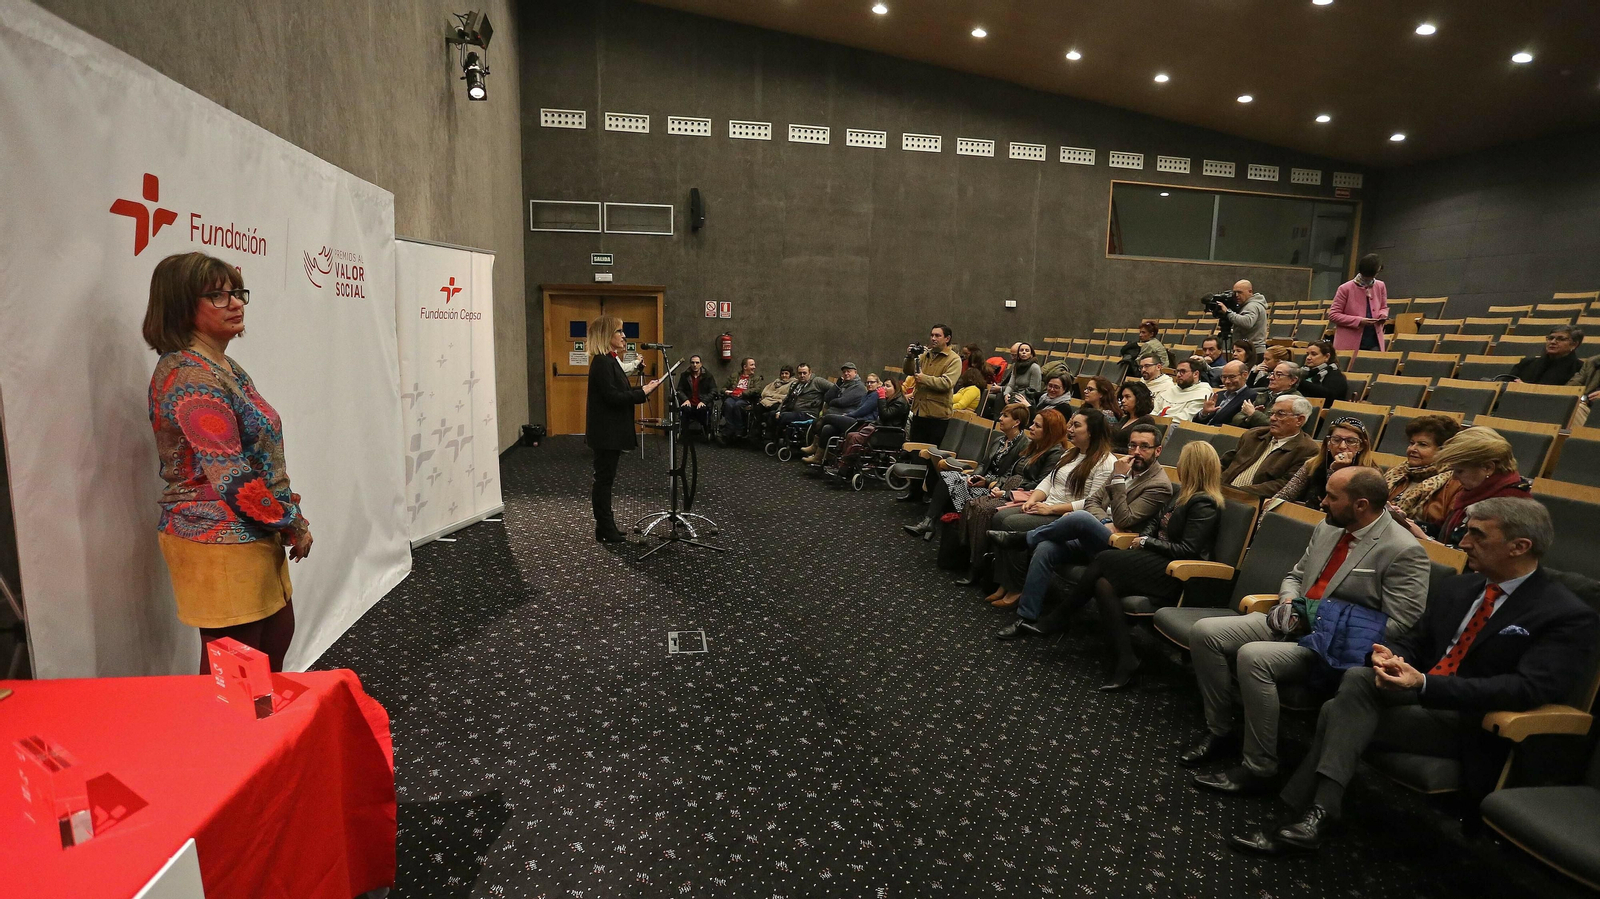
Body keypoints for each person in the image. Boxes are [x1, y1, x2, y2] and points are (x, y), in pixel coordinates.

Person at [1233, 498, 1598, 855]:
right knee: (1359, 678)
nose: (1464, 543)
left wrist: (1424, 683)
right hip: (1419, 696)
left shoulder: (1564, 613)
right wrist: (1389, 656)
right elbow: (1415, 641)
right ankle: (1319, 814)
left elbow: (1528, 688)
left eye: (1478, 535)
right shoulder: (1461, 587)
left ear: (1520, 547)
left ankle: (1306, 811)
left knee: (1334, 711)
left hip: (1471, 721)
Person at [1184, 467, 1430, 796]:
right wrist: (1289, 603)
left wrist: (1318, 617)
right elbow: (1296, 575)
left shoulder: (1403, 549)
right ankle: (1221, 730)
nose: (1322, 501)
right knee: (1205, 633)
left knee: (1253, 657)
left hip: (1332, 646)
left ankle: (1260, 766)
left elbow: (1401, 622)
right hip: (1294, 619)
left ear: (1360, 505)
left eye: (1332, 497)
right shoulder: (1329, 527)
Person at [145, 252, 314, 673]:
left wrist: (285, 516)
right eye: (218, 296)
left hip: (253, 529)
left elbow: (261, 458)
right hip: (215, 536)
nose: (236, 303)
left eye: (237, 293)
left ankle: (258, 721)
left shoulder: (223, 366)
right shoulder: (190, 375)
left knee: (268, 653)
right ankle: (227, 723)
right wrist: (292, 522)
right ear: (182, 305)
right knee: (236, 676)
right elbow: (232, 476)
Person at [1064, 442, 1226, 690]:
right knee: (1103, 584)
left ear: (1192, 466)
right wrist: (1146, 538)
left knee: (1104, 560)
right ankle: (1127, 659)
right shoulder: (1181, 493)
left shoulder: (1205, 503)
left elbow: (1188, 550)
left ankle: (1060, 617)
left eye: (1182, 460)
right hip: (1158, 560)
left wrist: (1146, 542)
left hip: (1180, 574)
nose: (1178, 464)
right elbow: (1155, 523)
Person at [993, 422, 1174, 639]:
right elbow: (1092, 501)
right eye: (1132, 445)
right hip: (1098, 533)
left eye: (1144, 447)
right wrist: (1103, 520)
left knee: (1079, 517)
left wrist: (1118, 480)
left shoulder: (1158, 484)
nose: (1136, 452)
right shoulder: (1123, 468)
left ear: (1157, 450)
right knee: (1046, 548)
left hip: (1122, 548)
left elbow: (1125, 519)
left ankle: (1023, 539)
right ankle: (1027, 617)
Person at [984, 410, 1117, 608]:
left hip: (1067, 517)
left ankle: (1017, 587)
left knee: (1011, 523)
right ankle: (1005, 582)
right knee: (999, 517)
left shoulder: (1106, 462)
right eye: (1071, 424)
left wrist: (1051, 509)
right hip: (1046, 506)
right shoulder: (1070, 453)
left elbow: (1093, 503)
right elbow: (1048, 481)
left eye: (1076, 426)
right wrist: (1033, 499)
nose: (1070, 430)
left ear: (1092, 431)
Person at [954, 409, 1069, 583]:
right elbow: (1010, 472)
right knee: (973, 504)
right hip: (1009, 489)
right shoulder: (1033, 446)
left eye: (1037, 426)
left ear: (1049, 431)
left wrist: (1006, 492)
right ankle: (971, 559)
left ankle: (978, 567)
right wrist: (996, 485)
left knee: (984, 510)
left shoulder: (1054, 453)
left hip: (1025, 495)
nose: (1031, 427)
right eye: (1033, 423)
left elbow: (1040, 483)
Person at [585, 315, 665, 542]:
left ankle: (606, 525)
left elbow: (619, 391)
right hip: (606, 432)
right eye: (619, 332)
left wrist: (643, 389)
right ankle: (604, 527)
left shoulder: (611, 361)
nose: (624, 336)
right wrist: (643, 392)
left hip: (611, 431)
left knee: (606, 479)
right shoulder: (602, 362)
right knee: (604, 480)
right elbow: (613, 397)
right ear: (606, 335)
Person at [903, 403, 1031, 539]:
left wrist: (987, 482)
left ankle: (933, 525)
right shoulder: (999, 440)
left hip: (996, 488)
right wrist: (974, 476)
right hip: (982, 481)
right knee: (947, 477)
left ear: (1017, 422)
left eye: (1005, 416)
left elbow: (1012, 475)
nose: (1000, 419)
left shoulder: (1024, 445)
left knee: (951, 486)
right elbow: (983, 463)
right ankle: (930, 522)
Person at [1405, 427, 1531, 547]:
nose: (1454, 477)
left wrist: (1426, 539)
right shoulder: (1475, 491)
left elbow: (1476, 556)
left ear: (1488, 468)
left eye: (1460, 471)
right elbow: (1444, 532)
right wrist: (1409, 523)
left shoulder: (1510, 504)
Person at [902, 325, 964, 499]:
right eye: (932, 335)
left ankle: (929, 494)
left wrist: (924, 379)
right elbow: (908, 371)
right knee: (916, 455)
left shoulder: (953, 359)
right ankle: (914, 492)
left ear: (947, 339)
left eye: (938, 335)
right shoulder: (925, 355)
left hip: (938, 415)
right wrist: (910, 357)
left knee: (932, 457)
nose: (933, 338)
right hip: (919, 411)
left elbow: (947, 383)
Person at [1219, 395, 1320, 496]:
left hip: (1252, 500)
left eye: (1280, 414)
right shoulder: (1253, 435)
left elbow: (1285, 485)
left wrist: (1236, 491)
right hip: (1220, 491)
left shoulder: (1307, 450)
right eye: (1271, 413)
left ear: (1299, 420)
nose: (1272, 418)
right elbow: (1225, 463)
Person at [1383, 415, 1463, 535]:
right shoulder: (1396, 472)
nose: (1412, 449)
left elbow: (1446, 531)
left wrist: (1409, 523)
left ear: (1443, 451)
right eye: (1411, 443)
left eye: (1422, 445)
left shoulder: (1455, 483)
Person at [1270, 417, 1374, 510]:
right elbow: (1283, 497)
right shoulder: (1311, 465)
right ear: (1328, 444)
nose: (1342, 446)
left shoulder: (1370, 475)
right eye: (1336, 440)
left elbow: (1342, 509)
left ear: (1361, 446)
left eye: (1351, 441)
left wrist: (1338, 471)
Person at [803, 368, 877, 463]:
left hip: (862, 423)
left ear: (878, 383)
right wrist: (837, 385)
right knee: (827, 428)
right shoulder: (867, 394)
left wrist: (847, 415)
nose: (869, 384)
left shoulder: (874, 395)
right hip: (855, 419)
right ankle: (818, 457)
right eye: (868, 382)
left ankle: (815, 445)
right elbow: (827, 398)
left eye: (872, 382)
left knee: (828, 417)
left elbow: (861, 410)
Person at [1328, 254, 1390, 355]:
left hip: (1374, 340)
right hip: (1350, 342)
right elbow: (1333, 315)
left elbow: (1383, 307)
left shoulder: (1381, 285)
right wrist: (1359, 321)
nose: (1372, 277)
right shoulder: (1345, 288)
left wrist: (1382, 315)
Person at [1237, 361, 1304, 428]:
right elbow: (1236, 419)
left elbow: (1281, 426)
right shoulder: (1262, 394)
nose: (1270, 377)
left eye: (1278, 375)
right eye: (1272, 373)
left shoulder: (1295, 401)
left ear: (1293, 380)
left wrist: (1254, 414)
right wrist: (1250, 418)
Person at [1510, 326, 1584, 385]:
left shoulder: (1580, 369)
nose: (1553, 342)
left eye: (1561, 339)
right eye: (1550, 338)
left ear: (1574, 345)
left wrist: (1525, 388)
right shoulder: (1526, 364)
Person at [775, 362, 830, 441]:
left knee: (783, 417)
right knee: (772, 414)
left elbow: (834, 389)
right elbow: (786, 399)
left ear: (810, 373)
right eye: (800, 373)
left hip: (808, 413)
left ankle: (780, 440)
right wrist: (778, 410)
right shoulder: (796, 384)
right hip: (793, 411)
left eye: (804, 373)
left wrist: (827, 401)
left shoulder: (817, 381)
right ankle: (772, 441)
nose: (802, 375)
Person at [1193, 361, 1257, 427]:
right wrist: (1204, 413)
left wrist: (1213, 428)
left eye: (1232, 377)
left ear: (1244, 375)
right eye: (1224, 377)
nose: (1227, 381)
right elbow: (1196, 422)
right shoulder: (1218, 395)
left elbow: (1239, 425)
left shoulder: (1251, 397)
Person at [1220, 280, 1269, 356]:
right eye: (1235, 292)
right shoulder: (1249, 305)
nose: (1236, 295)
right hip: (1250, 350)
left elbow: (1247, 322)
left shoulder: (1251, 306)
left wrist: (1227, 313)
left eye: (1240, 292)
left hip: (1252, 352)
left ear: (1250, 291)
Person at [1156, 358, 1212, 422]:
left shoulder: (1202, 392)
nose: (1178, 375)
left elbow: (1187, 417)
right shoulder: (1171, 389)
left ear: (1195, 374)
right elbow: (1155, 410)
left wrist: (1159, 419)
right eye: (1177, 371)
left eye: (1183, 371)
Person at [1297, 342, 1349, 407]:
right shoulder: (1304, 372)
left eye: (1313, 354)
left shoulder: (1335, 375)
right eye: (1307, 354)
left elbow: (1329, 397)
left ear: (1327, 356)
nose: (1308, 358)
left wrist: (1299, 382)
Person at [719, 357, 761, 439]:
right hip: (733, 397)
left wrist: (743, 393)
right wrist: (726, 391)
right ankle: (730, 428)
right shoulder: (734, 376)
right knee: (728, 403)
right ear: (745, 367)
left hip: (746, 399)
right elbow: (723, 388)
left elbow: (757, 389)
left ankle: (739, 429)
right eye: (752, 365)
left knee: (737, 405)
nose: (754, 367)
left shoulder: (756, 378)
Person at [676, 354, 718, 434]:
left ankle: (706, 432)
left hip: (702, 403)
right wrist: (685, 400)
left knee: (704, 412)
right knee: (685, 410)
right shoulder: (684, 376)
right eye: (692, 363)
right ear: (690, 364)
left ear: (701, 364)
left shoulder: (708, 376)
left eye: (697, 362)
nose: (695, 365)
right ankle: (684, 434)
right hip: (689, 403)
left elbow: (713, 391)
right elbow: (679, 390)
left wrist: (704, 401)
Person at [1113, 381, 1157, 453]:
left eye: (1127, 397)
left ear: (1138, 399)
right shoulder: (1125, 419)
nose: (1123, 400)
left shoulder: (1146, 420)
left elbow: (1140, 448)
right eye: (1122, 397)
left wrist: (1111, 450)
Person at [754, 365, 796, 442]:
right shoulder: (775, 382)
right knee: (758, 408)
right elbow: (764, 393)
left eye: (786, 373)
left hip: (780, 403)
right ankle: (756, 433)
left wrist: (773, 396)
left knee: (773, 411)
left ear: (790, 374)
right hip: (767, 401)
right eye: (782, 373)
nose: (784, 375)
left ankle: (770, 436)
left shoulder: (793, 384)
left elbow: (787, 397)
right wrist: (776, 396)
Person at [1568, 352, 1600, 428]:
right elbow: (1574, 384)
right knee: (1566, 406)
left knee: (1574, 410)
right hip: (1587, 405)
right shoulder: (1593, 362)